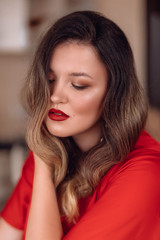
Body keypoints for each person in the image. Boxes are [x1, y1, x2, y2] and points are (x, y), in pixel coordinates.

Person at [0, 10, 160, 240]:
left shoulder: (147, 175)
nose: (55, 96)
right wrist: (44, 162)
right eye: (50, 79)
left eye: (78, 85)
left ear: (114, 93)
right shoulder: (49, 151)